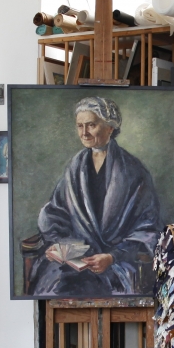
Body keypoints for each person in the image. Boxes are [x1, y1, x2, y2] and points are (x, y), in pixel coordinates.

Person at [26, 96, 162, 297]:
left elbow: (148, 227)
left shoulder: (134, 171)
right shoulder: (75, 167)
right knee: (54, 284)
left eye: (91, 125)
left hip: (117, 261)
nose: (84, 132)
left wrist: (111, 256)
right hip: (77, 256)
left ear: (110, 127)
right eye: (80, 126)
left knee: (112, 289)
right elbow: (55, 212)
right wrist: (59, 245)